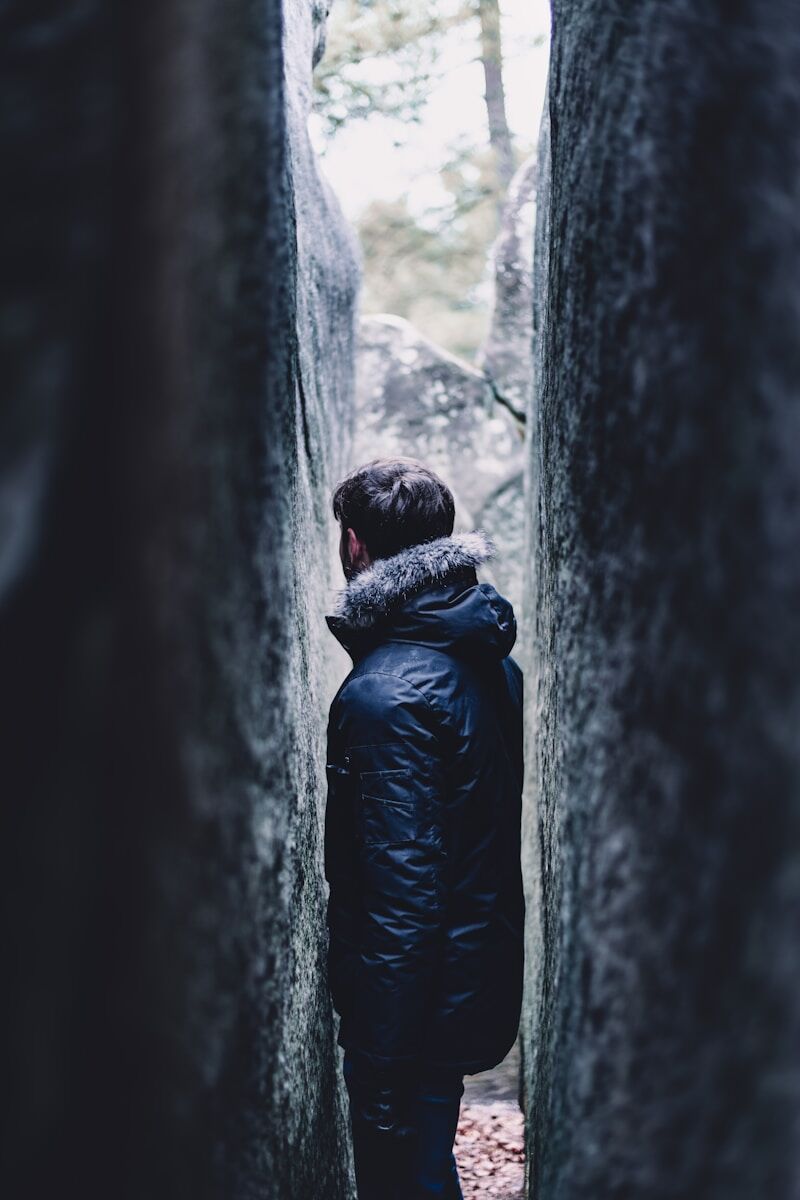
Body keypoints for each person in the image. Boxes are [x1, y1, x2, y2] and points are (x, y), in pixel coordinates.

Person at [324, 457, 524, 1200]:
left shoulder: (384, 695)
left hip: (411, 1010)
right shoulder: (487, 661)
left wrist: (381, 1063)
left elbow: (402, 899)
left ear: (355, 544)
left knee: (406, 1180)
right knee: (428, 1164)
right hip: (462, 978)